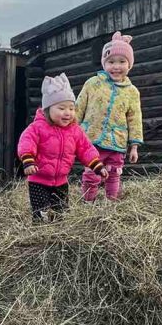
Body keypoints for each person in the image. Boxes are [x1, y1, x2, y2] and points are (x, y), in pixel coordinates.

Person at [17, 73, 107, 221]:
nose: (68, 113)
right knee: (41, 213)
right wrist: (28, 160)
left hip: (61, 181)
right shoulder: (37, 127)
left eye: (71, 108)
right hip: (38, 180)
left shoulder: (75, 131)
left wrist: (96, 165)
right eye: (62, 108)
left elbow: (85, 148)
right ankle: (41, 230)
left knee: (61, 213)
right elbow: (26, 142)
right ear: (47, 109)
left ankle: (58, 226)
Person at [75, 31, 143, 202]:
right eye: (111, 62)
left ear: (129, 65)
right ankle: (88, 202)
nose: (116, 66)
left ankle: (111, 203)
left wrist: (134, 146)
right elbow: (78, 108)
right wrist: (71, 132)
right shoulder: (92, 83)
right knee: (92, 173)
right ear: (104, 63)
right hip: (92, 139)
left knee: (114, 174)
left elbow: (135, 119)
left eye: (122, 61)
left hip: (117, 141)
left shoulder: (132, 92)